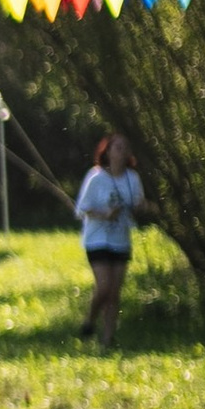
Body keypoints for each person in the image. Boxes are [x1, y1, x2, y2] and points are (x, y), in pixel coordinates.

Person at [74, 130, 145, 347]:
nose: (122, 152)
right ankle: (90, 319)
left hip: (120, 238)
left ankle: (107, 338)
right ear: (108, 152)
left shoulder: (132, 178)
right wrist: (105, 214)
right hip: (97, 239)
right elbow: (82, 209)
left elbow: (138, 204)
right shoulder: (96, 177)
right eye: (118, 147)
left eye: (126, 148)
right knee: (104, 286)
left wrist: (142, 207)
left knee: (114, 292)